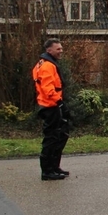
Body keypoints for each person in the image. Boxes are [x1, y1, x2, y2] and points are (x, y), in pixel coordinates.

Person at [33, 38, 71, 181]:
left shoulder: (42, 63)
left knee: (60, 136)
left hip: (49, 104)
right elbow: (48, 88)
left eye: (61, 48)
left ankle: (54, 167)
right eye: (58, 49)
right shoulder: (48, 66)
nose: (61, 51)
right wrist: (60, 102)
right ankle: (48, 170)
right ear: (49, 50)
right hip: (51, 106)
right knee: (53, 138)